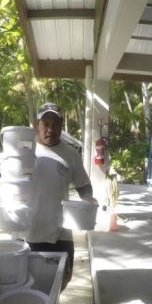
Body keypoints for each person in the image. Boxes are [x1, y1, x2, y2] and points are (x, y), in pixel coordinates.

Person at [24, 102, 95, 287]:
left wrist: (87, 199)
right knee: (29, 280)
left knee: (64, 277)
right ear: (36, 124)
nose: (50, 129)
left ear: (61, 125)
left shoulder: (71, 154)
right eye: (45, 123)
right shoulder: (24, 150)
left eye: (55, 124)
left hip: (60, 230)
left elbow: (84, 185)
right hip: (27, 230)